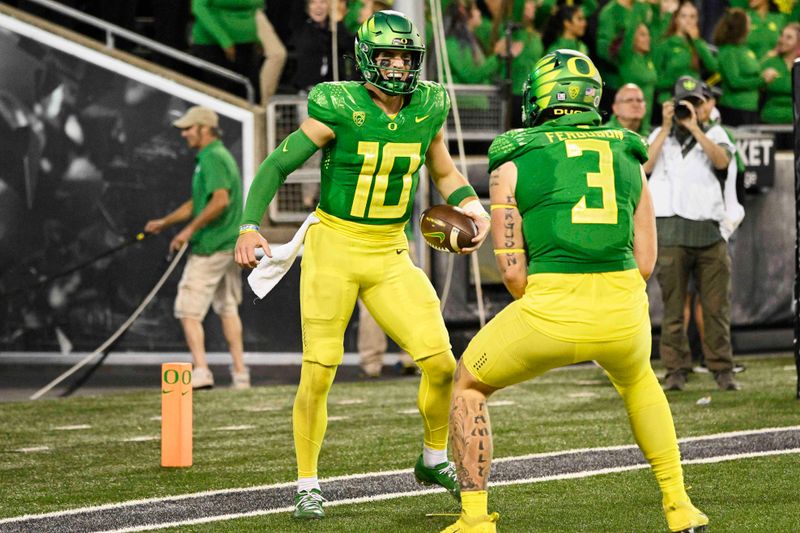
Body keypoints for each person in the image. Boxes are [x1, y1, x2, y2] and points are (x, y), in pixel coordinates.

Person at [234, 10, 490, 519]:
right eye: (387, 56)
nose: (397, 66)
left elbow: (441, 167)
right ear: (367, 59)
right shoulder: (338, 104)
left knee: (441, 364)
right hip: (334, 244)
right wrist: (248, 225)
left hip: (390, 249)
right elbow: (278, 163)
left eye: (405, 57)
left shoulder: (429, 105)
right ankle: (307, 481)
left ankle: (432, 458)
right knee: (320, 370)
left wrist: (473, 204)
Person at [442, 50, 708, 533]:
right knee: (640, 383)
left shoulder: (513, 153)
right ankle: (679, 505)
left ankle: (475, 519)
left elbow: (513, 274)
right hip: (623, 310)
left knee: (468, 384)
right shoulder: (629, 149)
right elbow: (646, 259)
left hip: (548, 310)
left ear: (544, 95)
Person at [644, 76, 743, 392]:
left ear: (704, 106)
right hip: (670, 230)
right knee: (673, 308)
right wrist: (665, 124)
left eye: (697, 102)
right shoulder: (659, 134)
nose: (692, 108)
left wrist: (696, 127)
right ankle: (675, 369)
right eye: (686, 103)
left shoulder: (716, 133)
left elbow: (722, 161)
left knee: (716, 307)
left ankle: (722, 368)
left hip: (708, 232)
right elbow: (645, 166)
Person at [144, 106, 249, 390]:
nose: (185, 134)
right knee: (228, 308)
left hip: (211, 246)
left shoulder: (213, 157)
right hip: (227, 245)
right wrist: (165, 223)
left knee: (188, 311)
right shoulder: (215, 156)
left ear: (205, 128)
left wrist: (188, 231)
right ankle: (240, 373)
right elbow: (199, 203)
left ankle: (201, 371)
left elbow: (219, 202)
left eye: (189, 128)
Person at [189, 0, 265, 101]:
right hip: (212, 45)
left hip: (246, 46)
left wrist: (257, 38)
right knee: (221, 96)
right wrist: (224, 40)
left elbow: (254, 8)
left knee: (252, 95)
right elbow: (199, 8)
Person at [652, 1, 718, 110]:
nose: (688, 21)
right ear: (676, 19)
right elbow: (654, 79)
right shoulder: (665, 44)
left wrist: (697, 40)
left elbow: (713, 67)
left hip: (694, 102)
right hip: (669, 101)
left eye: (692, 17)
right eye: (683, 16)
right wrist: (677, 82)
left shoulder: (698, 44)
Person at [713, 8, 770, 126]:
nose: (751, 26)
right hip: (734, 109)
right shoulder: (728, 51)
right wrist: (762, 80)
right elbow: (734, 82)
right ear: (741, 27)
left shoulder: (745, 49)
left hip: (751, 108)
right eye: (749, 23)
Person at [617, 23, 657, 131]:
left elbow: (659, 30)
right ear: (632, 38)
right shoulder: (627, 57)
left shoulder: (648, 59)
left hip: (645, 123)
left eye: (648, 35)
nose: (648, 38)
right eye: (643, 35)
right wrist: (638, 6)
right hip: (627, 123)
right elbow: (630, 27)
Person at [760, 22, 800, 124]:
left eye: (789, 37)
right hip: (771, 120)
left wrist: (778, 79)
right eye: (782, 35)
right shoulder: (769, 61)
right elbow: (768, 85)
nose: (782, 40)